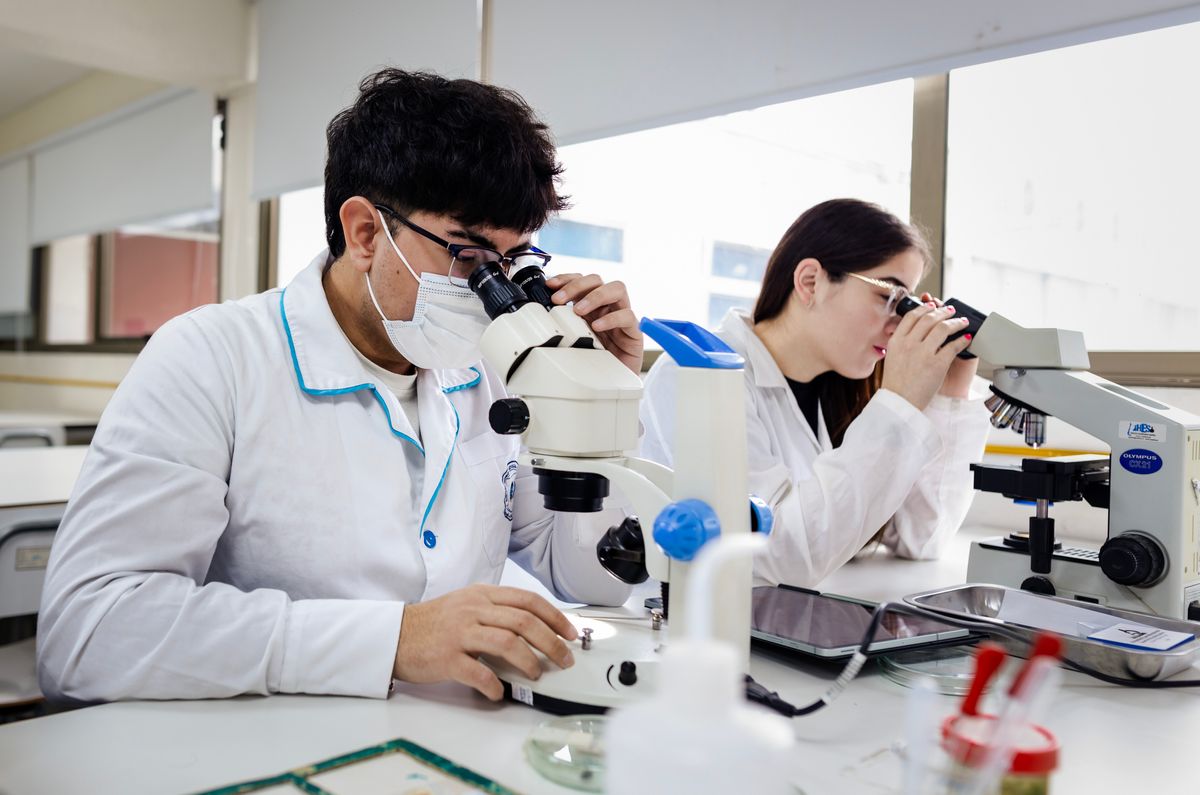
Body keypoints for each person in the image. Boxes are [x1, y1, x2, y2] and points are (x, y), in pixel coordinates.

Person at [37, 69, 643, 703]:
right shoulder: (211, 358)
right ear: (365, 232)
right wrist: (390, 640)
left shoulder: (492, 371)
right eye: (466, 256)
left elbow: (591, 581)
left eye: (511, 263)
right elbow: (89, 631)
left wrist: (603, 405)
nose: (492, 294)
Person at [640, 198, 990, 588]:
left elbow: (921, 538)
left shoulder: (839, 392)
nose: (899, 325)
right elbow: (775, 556)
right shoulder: (696, 374)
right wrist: (899, 403)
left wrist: (951, 391)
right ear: (810, 281)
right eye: (892, 298)